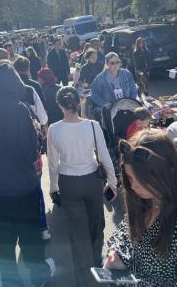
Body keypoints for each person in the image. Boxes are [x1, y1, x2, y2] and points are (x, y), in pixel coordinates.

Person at [0, 63, 55, 287]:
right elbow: (30, 151)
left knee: (4, 241)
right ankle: (38, 277)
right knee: (30, 237)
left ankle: (11, 281)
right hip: (23, 185)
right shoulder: (19, 109)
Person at [47, 86, 117, 286]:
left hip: (68, 183)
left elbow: (53, 165)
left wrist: (53, 188)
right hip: (92, 181)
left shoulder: (54, 129)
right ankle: (97, 263)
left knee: (78, 229)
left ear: (60, 105)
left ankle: (83, 276)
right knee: (97, 223)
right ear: (79, 103)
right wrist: (112, 182)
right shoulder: (93, 125)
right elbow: (104, 157)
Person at [105, 131, 177, 287]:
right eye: (130, 178)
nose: (133, 186)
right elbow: (124, 231)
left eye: (142, 179)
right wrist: (116, 254)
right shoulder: (143, 201)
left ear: (165, 173)